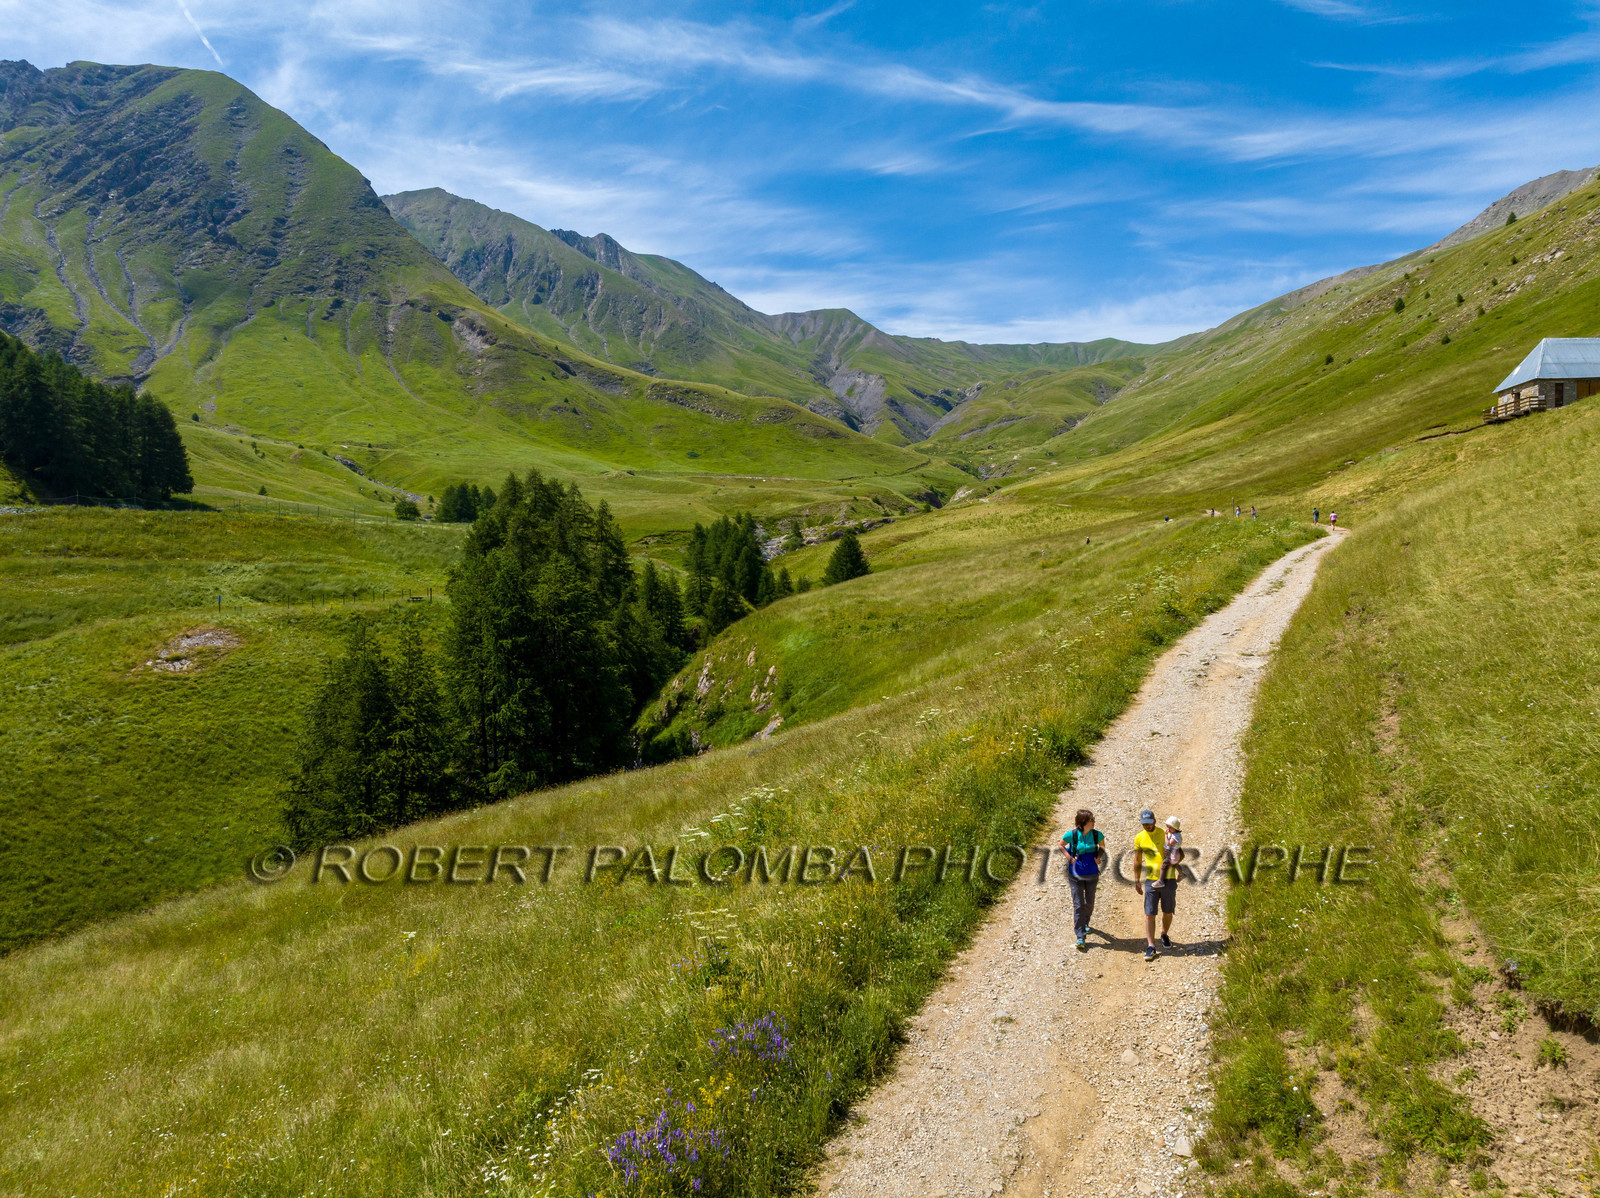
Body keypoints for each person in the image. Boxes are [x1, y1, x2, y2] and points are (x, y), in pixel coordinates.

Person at [1132, 808, 1178, 961]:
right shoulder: (1139, 838)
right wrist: (1137, 880)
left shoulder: (1165, 834)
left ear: (1155, 821)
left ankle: (1164, 934)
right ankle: (1151, 945)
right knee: (1149, 913)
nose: (1147, 826)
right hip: (1151, 880)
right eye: (1144, 824)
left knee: (1168, 911)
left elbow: (1178, 850)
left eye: (1149, 823)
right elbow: (1137, 860)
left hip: (1168, 878)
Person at [1062, 809, 1105, 950]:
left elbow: (1102, 847)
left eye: (1093, 819)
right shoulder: (1072, 835)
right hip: (1075, 875)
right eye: (1091, 820)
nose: (1093, 822)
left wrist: (1098, 857)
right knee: (1079, 904)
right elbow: (1060, 845)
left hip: (1092, 873)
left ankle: (1085, 923)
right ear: (1083, 822)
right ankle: (1080, 936)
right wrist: (1069, 857)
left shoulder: (1097, 834)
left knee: (1090, 902)